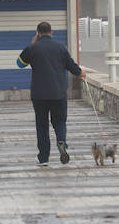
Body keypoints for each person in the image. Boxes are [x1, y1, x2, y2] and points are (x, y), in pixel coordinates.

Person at [16, 21, 86, 166]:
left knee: (42, 125)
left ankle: (43, 158)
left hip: (39, 94)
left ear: (38, 33)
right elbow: (72, 66)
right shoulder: (60, 47)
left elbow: (20, 63)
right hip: (58, 93)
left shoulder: (33, 48)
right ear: (51, 32)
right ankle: (61, 142)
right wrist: (81, 73)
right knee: (59, 122)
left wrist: (32, 43)